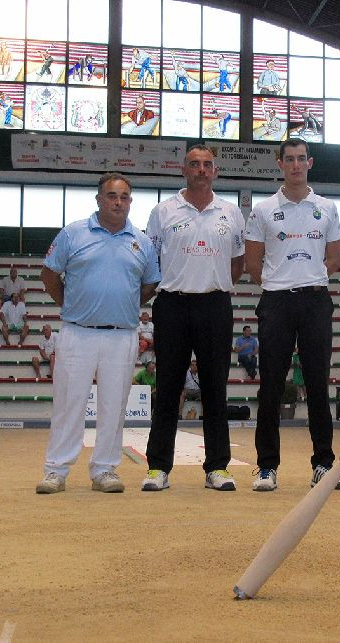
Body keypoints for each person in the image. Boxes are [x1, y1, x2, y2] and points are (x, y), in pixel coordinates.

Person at [36, 173, 160, 494]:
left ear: (130, 201)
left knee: (114, 405)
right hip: (77, 332)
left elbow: (149, 285)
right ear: (99, 199)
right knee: (68, 403)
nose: (118, 202)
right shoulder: (73, 234)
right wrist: (72, 305)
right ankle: (56, 470)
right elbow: (49, 275)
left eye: (124, 197)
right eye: (112, 196)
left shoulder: (142, 242)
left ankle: (105, 470)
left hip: (122, 335)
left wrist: (124, 304)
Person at [142, 144, 245, 493]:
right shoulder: (163, 211)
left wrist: (214, 286)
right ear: (183, 170)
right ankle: (157, 467)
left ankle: (217, 467)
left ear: (215, 171)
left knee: (215, 389)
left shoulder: (230, 213)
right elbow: (150, 259)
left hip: (215, 306)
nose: (201, 170)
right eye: (194, 164)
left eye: (207, 165)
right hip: (172, 305)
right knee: (168, 388)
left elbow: (237, 264)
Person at [245, 137, 340, 492]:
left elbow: (333, 260)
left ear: (310, 163)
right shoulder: (263, 210)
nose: (296, 165)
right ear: (280, 164)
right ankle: (267, 467)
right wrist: (280, 282)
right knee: (270, 386)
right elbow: (253, 264)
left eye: (302, 159)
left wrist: (307, 279)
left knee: (317, 385)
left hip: (316, 302)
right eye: (290, 159)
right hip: (276, 303)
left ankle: (323, 463)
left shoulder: (328, 208)